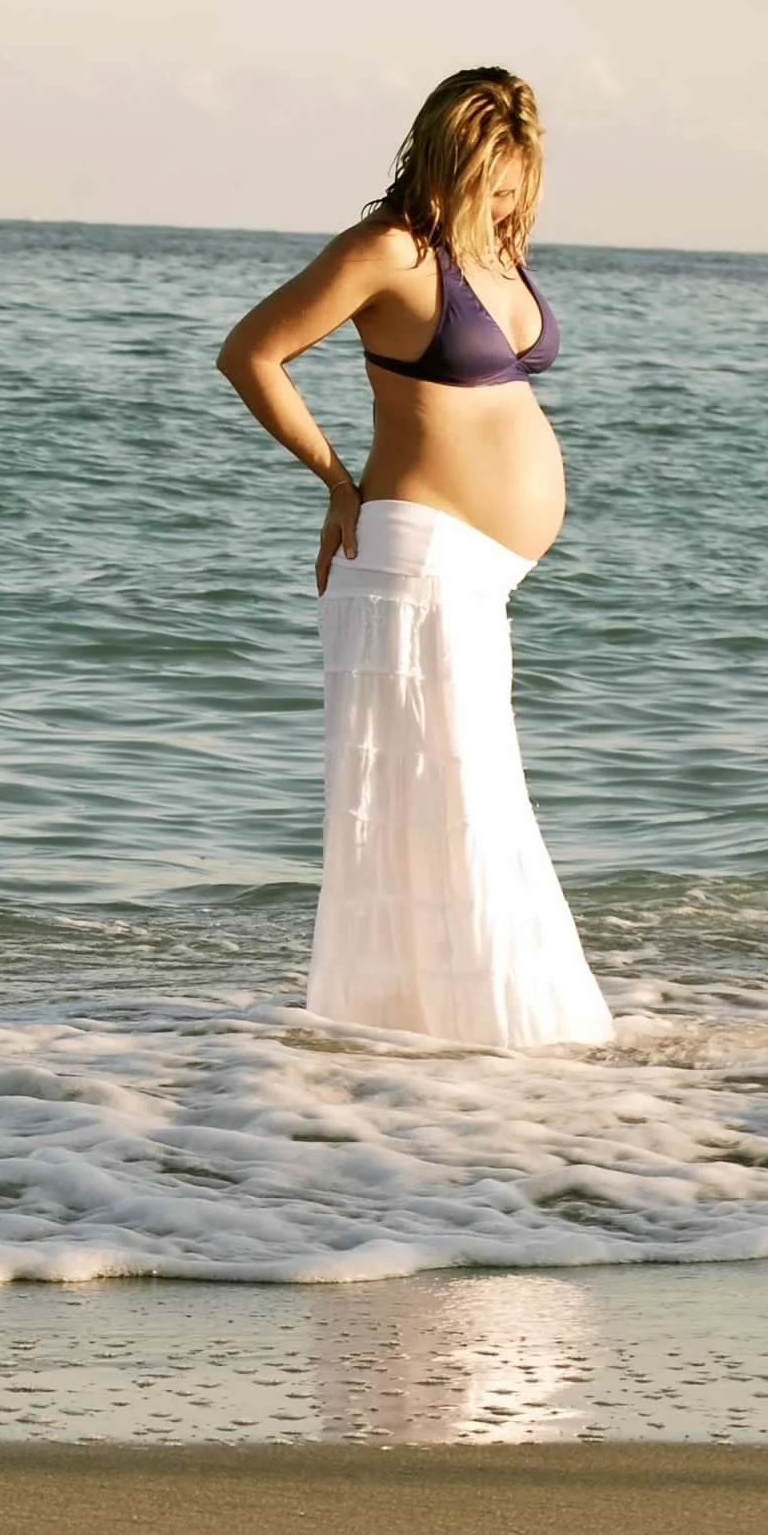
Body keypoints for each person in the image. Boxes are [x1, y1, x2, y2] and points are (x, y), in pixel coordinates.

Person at [217, 67, 612, 1049]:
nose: (508, 199)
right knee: (449, 808)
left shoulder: (493, 248)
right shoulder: (388, 248)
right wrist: (337, 482)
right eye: (491, 178)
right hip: (412, 565)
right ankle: (468, 1047)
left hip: (470, 574)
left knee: (467, 804)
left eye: (520, 182)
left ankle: (442, 1051)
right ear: (449, 156)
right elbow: (251, 353)